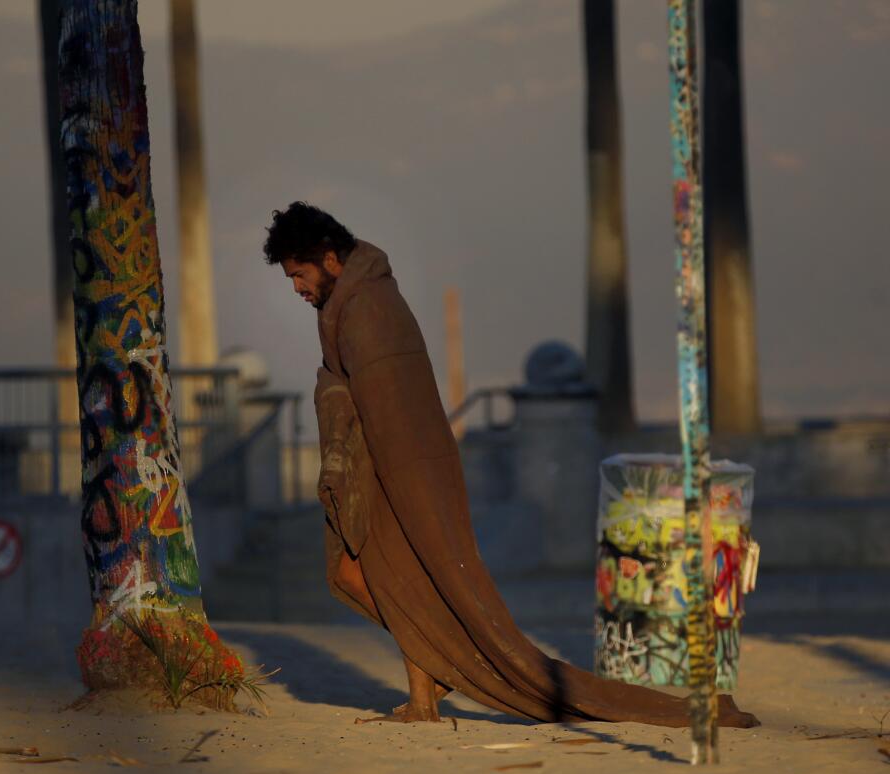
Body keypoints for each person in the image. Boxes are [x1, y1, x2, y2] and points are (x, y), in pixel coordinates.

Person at [262, 201, 758, 727]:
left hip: (401, 470)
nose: (296, 287)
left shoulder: (367, 307)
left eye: (299, 274)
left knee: (395, 579)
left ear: (330, 258)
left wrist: (388, 479)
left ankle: (433, 681)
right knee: (377, 578)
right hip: (381, 465)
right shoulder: (350, 304)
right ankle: (431, 680)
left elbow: (395, 406)